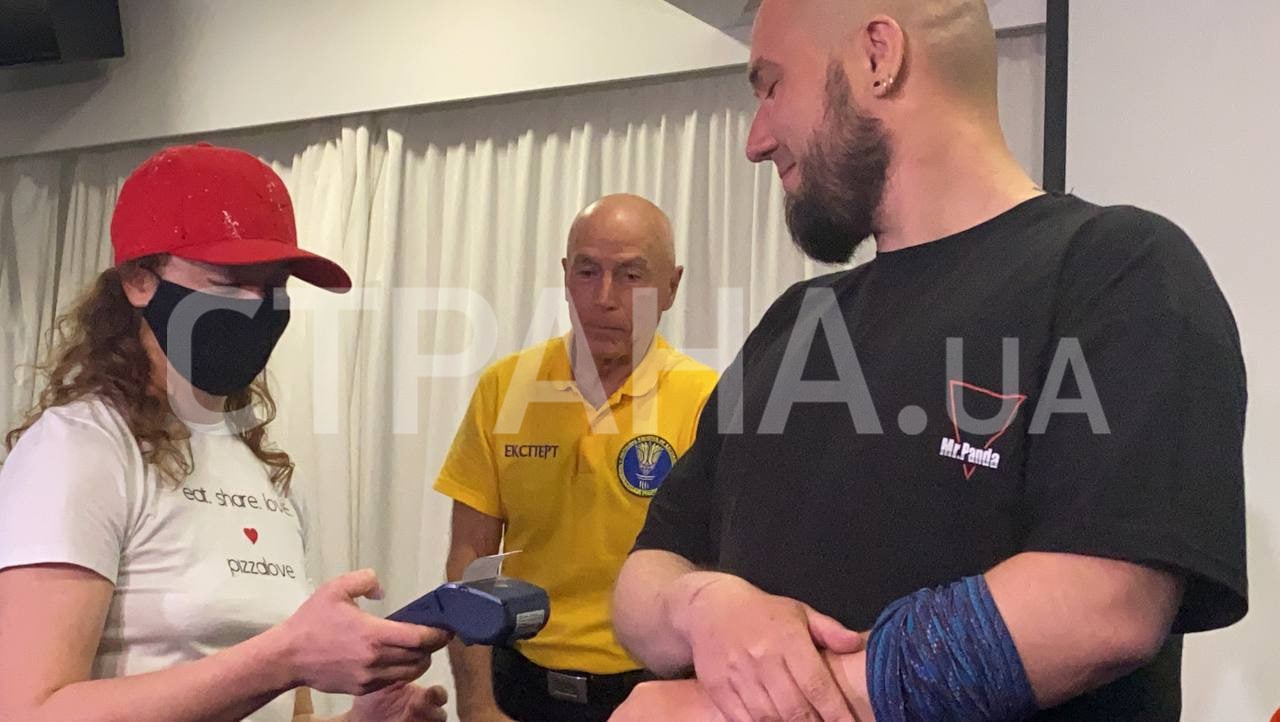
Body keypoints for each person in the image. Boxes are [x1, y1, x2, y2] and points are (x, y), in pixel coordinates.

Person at [610, 1, 1248, 721]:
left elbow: (1107, 604)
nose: (756, 142)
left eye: (772, 85)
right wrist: (702, 605)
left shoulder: (1115, 270)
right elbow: (646, 574)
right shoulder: (795, 322)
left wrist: (753, 708)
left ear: (877, 56)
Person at [0, 143, 451, 722]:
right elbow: (27, 710)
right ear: (139, 280)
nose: (257, 307)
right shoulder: (80, 447)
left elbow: (284, 709)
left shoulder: (264, 469)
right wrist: (285, 657)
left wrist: (359, 721)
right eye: (230, 281)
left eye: (275, 286)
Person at [434, 194, 719, 722]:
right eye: (587, 272)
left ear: (671, 286)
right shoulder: (506, 388)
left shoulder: (707, 402)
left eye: (630, 275)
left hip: (652, 694)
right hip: (517, 685)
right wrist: (477, 704)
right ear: (565, 276)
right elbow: (470, 555)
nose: (604, 297)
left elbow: (722, 575)